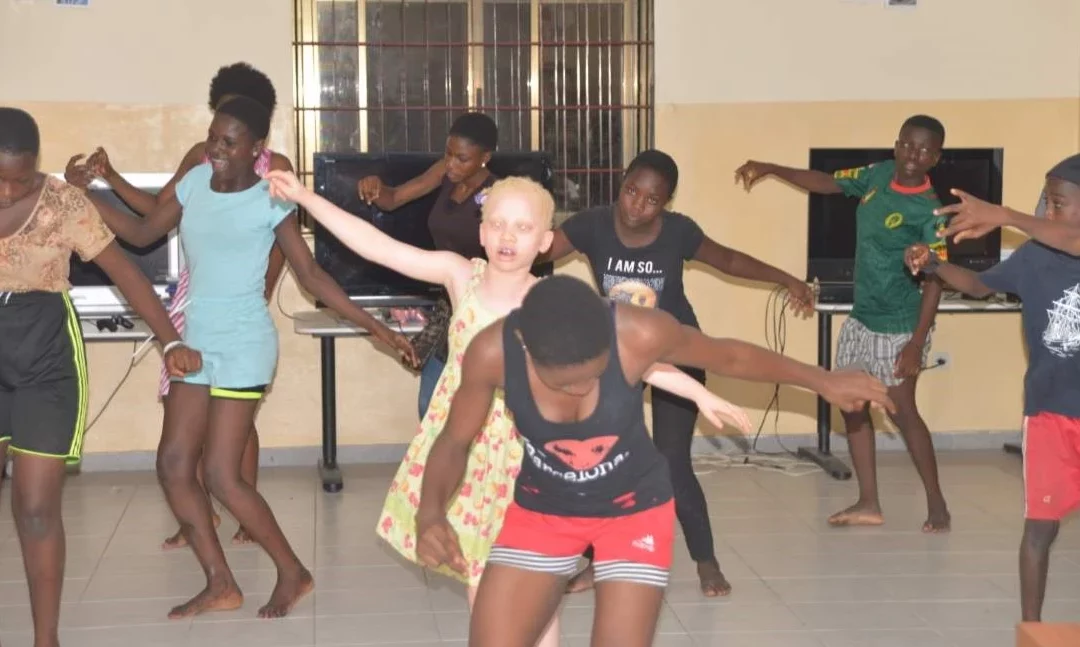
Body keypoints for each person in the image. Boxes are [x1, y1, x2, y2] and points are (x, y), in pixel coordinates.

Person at [265, 170, 753, 645]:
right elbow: (377, 245)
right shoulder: (459, 275)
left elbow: (627, 355)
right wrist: (305, 198)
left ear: (544, 242)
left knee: (536, 591)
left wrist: (698, 392)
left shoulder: (553, 303)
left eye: (522, 227)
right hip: (466, 456)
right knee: (486, 586)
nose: (507, 236)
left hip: (528, 458)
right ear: (481, 232)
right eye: (497, 223)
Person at [415, 275, 894, 647]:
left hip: (633, 509)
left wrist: (822, 380)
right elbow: (454, 441)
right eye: (566, 383)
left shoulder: (639, 331)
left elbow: (728, 356)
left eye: (593, 375)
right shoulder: (492, 352)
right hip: (543, 510)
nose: (582, 390)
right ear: (526, 350)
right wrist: (430, 512)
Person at [92, 97, 416, 619]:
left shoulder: (271, 199)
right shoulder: (195, 183)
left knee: (222, 475)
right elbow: (141, 233)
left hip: (244, 343)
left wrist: (376, 327)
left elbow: (311, 276)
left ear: (256, 148)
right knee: (174, 464)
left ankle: (293, 572)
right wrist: (86, 198)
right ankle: (220, 583)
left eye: (229, 142)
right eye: (213, 137)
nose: (216, 149)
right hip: (193, 342)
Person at [541, 149, 816, 597]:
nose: (637, 205)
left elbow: (729, 261)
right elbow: (539, 250)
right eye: (632, 191)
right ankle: (597, 561)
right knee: (598, 460)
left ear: (666, 202)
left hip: (678, 352)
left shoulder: (678, 232)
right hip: (619, 355)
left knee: (671, 462)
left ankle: (706, 560)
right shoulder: (591, 225)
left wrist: (786, 279)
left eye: (652, 199)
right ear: (622, 183)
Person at [64, 61, 292, 549]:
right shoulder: (200, 159)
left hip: (242, 298)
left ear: (257, 130)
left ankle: (243, 510)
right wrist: (106, 181)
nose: (218, 141)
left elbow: (283, 245)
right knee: (183, 409)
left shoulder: (276, 169)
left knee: (235, 415)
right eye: (217, 121)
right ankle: (197, 513)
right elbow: (155, 214)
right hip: (197, 293)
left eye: (233, 124)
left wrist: (263, 291)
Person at [0, 107, 202, 647]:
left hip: (44, 359)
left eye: (19, 178)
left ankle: (46, 639)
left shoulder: (64, 202)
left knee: (35, 508)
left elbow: (125, 272)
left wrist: (171, 340)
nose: (8, 191)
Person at [734, 115, 953, 533]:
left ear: (936, 158)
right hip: (861, 316)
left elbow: (936, 280)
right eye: (908, 144)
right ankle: (868, 502)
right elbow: (826, 182)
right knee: (851, 405)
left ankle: (937, 503)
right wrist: (772, 168)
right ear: (896, 145)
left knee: (903, 412)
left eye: (925, 149)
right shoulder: (878, 174)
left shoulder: (930, 211)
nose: (914, 154)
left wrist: (915, 343)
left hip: (899, 325)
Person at [906, 153, 1080, 622]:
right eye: (1046, 201)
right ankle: (1031, 629)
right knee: (1039, 529)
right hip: (1049, 414)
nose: (1047, 210)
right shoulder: (1035, 256)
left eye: (1058, 202)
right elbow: (978, 285)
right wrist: (934, 265)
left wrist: (1004, 215)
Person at [355, 112, 502, 420]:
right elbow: (394, 198)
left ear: (485, 158)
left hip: (483, 311)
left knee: (477, 406)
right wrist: (376, 187)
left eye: (462, 159)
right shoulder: (444, 173)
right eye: (448, 154)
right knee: (430, 404)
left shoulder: (499, 195)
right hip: (448, 307)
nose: (451, 164)